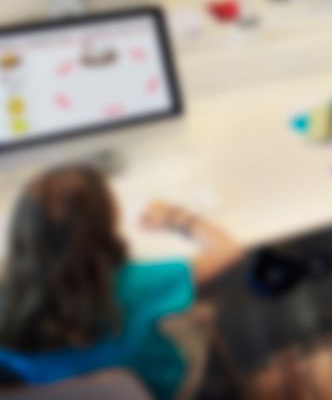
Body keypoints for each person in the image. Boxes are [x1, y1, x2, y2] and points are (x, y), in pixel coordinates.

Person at [0, 165, 242, 399]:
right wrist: (173, 215)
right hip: (155, 389)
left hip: (62, 393)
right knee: (200, 312)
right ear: (110, 219)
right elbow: (227, 249)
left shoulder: (8, 304)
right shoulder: (139, 282)